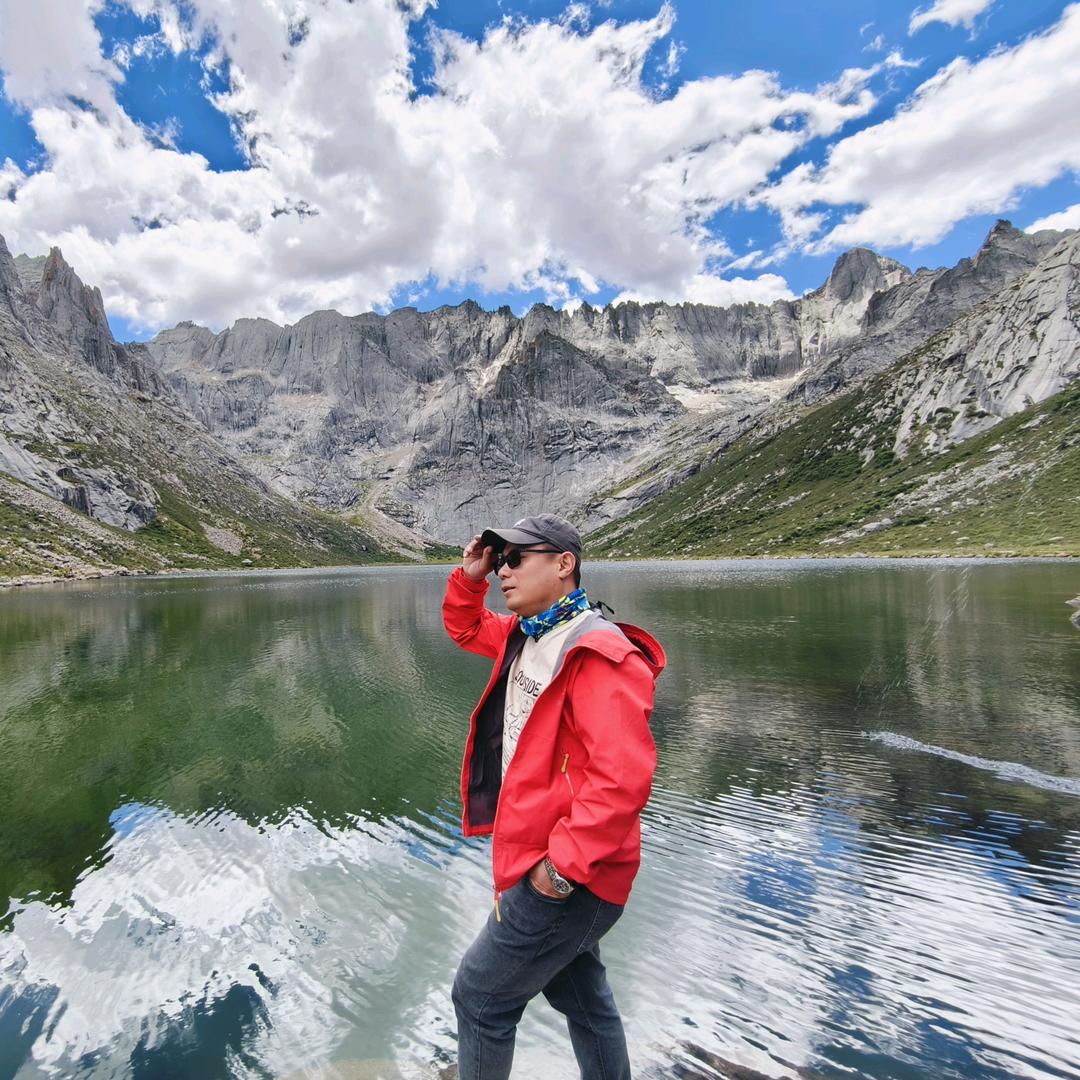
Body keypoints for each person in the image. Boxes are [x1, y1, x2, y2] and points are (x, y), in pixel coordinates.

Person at [442, 512, 666, 1080]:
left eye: (516, 559)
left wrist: (557, 874)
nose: (504, 572)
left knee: (479, 998)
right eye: (501, 562)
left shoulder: (599, 652)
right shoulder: (527, 634)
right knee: (582, 998)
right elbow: (466, 628)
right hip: (545, 860)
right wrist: (470, 576)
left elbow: (621, 781)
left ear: (565, 564)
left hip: (571, 876)